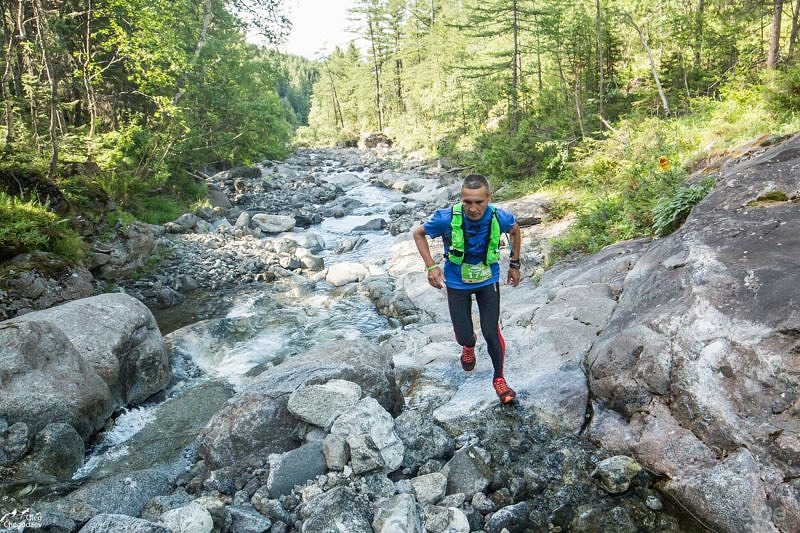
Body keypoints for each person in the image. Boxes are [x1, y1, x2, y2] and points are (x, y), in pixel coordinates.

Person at [412, 174, 522, 404]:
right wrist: (430, 266)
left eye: (479, 202)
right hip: (456, 282)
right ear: (462, 198)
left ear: (488, 198)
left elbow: (515, 230)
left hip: (487, 280)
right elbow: (419, 234)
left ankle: (499, 379)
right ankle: (469, 346)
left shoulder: (498, 216)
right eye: (467, 201)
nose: (473, 208)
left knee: (491, 331)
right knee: (464, 335)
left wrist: (514, 264)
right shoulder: (446, 218)